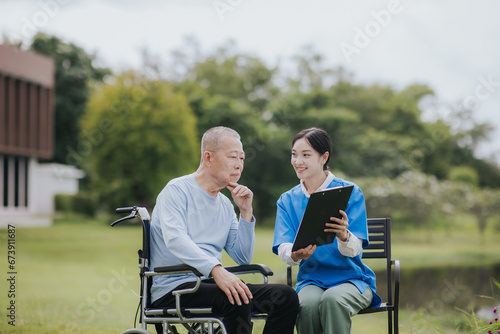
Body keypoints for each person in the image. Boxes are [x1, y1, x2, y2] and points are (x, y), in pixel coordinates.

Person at [150, 126, 299, 334]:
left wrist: (245, 212)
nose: (238, 165)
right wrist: (216, 269)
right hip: (175, 287)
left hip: (212, 283)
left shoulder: (225, 204)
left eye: (242, 158)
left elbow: (242, 256)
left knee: (285, 296)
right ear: (208, 158)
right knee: (236, 298)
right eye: (232, 157)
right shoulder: (176, 191)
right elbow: (175, 240)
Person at [272, 127, 381, 334]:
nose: (298, 161)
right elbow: (284, 246)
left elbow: (355, 249)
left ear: (324, 157)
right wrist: (295, 254)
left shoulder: (350, 192)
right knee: (307, 305)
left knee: (333, 300)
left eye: (306, 155)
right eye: (294, 155)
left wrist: (343, 235)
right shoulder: (287, 200)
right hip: (311, 279)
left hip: (352, 279)